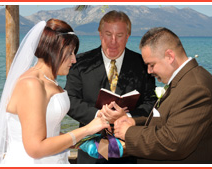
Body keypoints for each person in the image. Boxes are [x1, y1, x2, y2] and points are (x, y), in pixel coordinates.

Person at [0, 19, 110, 164]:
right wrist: (87, 129)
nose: (74, 60)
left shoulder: (49, 81)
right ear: (54, 50)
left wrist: (84, 143)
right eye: (70, 53)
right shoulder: (31, 84)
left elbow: (49, 132)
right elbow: (35, 148)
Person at [107, 27, 212, 163]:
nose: (149, 71)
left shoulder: (196, 88)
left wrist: (128, 132)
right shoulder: (186, 80)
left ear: (169, 56)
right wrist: (133, 122)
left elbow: (174, 143)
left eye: (151, 64)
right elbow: (169, 122)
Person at [64, 10, 157, 164]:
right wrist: (98, 116)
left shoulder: (142, 64)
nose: (113, 41)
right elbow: (70, 100)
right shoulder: (80, 63)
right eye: (108, 34)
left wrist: (127, 117)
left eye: (119, 36)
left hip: (130, 154)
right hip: (91, 155)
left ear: (127, 36)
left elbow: (151, 102)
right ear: (100, 34)